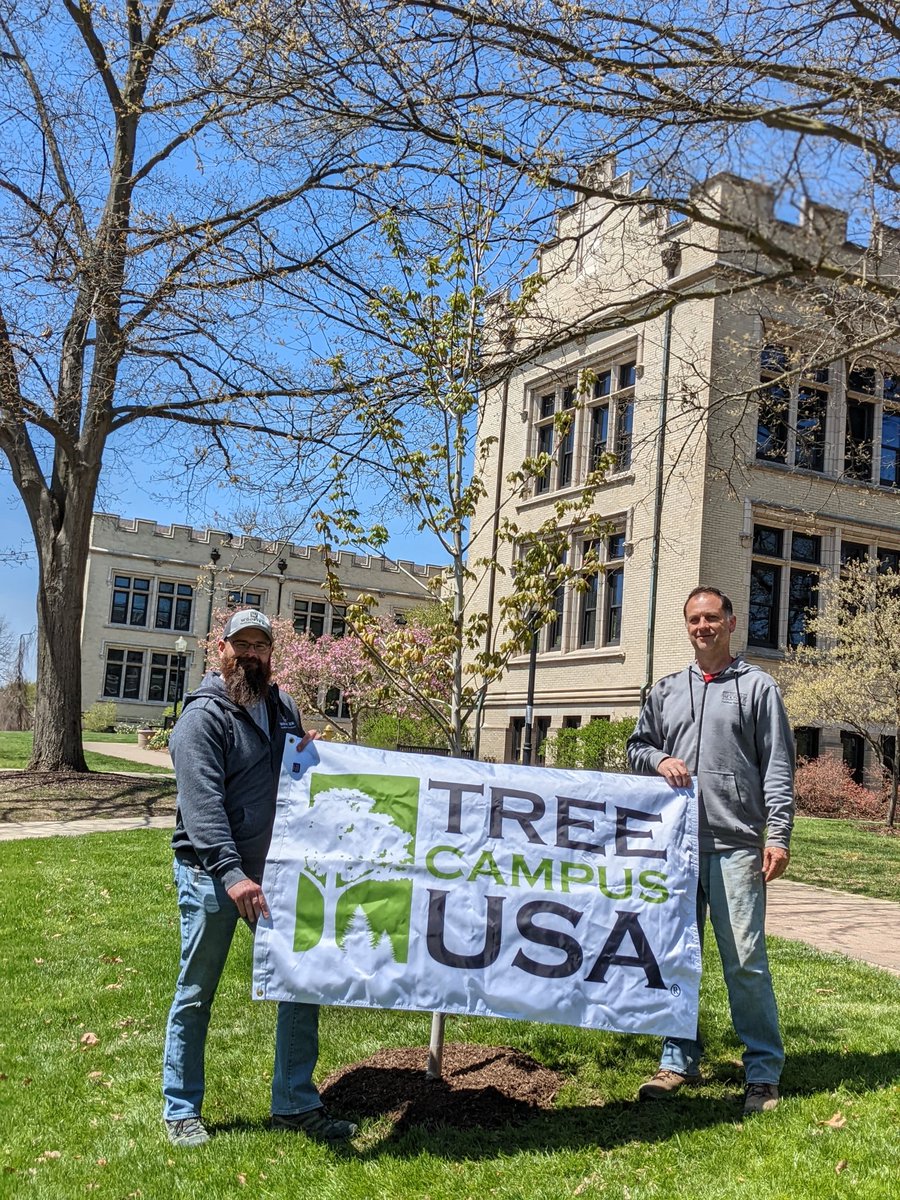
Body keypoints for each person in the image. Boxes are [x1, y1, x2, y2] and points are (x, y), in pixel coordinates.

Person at [162, 608, 356, 1147]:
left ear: (272, 654)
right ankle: (181, 1107)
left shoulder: (280, 705)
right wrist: (230, 874)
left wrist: (309, 748)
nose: (250, 654)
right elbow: (202, 807)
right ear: (218, 650)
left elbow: (293, 773)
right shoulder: (203, 718)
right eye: (240, 645)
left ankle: (294, 1102)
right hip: (212, 874)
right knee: (197, 990)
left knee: (301, 979)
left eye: (260, 646)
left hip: (272, 873)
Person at [627, 586, 794, 1115]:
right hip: (676, 850)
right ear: (688, 626)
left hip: (736, 845)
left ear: (731, 622)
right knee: (678, 958)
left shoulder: (758, 688)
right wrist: (657, 760)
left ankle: (763, 1071)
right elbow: (636, 746)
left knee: (744, 960)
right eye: (695, 619)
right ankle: (677, 1059)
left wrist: (778, 834)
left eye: (713, 618)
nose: (704, 626)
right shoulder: (666, 690)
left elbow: (779, 769)